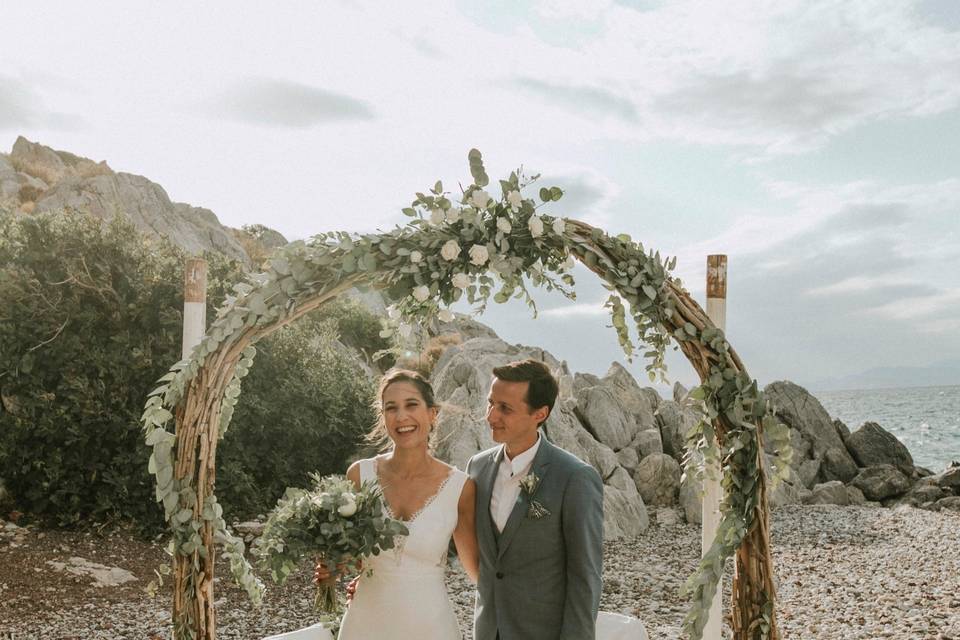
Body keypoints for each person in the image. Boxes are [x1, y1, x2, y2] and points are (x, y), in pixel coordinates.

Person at [322, 369, 479, 640]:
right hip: (365, 625)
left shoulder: (460, 488)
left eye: (411, 405)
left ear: (432, 413)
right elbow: (347, 555)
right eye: (391, 408)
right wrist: (331, 571)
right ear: (383, 418)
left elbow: (477, 570)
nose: (401, 416)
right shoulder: (359, 476)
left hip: (431, 627)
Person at [467, 358, 604, 640]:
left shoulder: (574, 477)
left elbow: (585, 578)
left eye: (505, 408)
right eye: (491, 403)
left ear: (540, 413)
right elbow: (457, 540)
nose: (491, 416)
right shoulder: (477, 468)